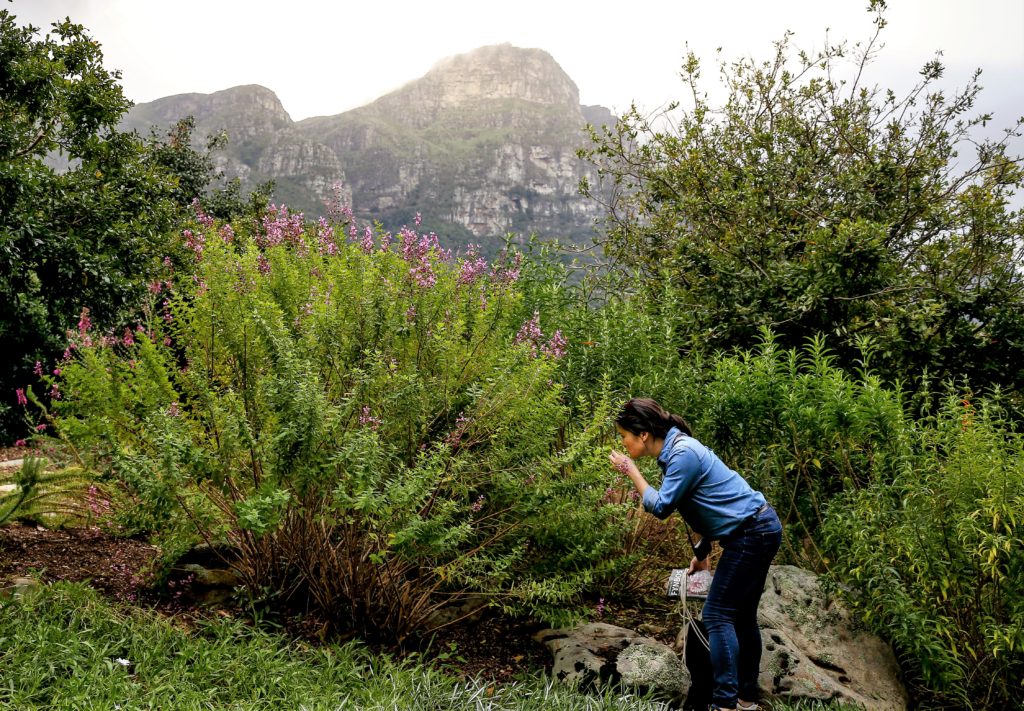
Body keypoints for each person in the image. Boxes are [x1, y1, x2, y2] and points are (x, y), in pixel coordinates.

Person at [609, 397, 782, 711]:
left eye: (624, 436)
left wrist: (630, 470)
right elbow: (697, 506)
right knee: (742, 618)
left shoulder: (682, 454)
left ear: (643, 435)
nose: (623, 442)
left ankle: (725, 704)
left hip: (751, 534)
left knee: (717, 615)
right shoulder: (676, 452)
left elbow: (662, 507)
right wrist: (702, 553)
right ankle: (745, 701)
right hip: (758, 528)